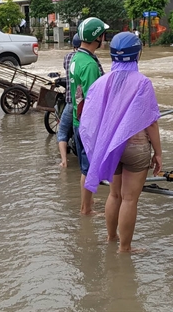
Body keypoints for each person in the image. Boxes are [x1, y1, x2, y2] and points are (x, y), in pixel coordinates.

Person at [80, 32, 162, 252]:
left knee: (114, 194)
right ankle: (125, 248)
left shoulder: (100, 83)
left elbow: (90, 119)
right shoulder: (143, 83)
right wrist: (159, 153)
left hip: (110, 147)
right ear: (137, 54)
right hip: (136, 147)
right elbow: (151, 123)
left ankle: (111, 238)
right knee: (129, 200)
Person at [70, 17, 108, 215]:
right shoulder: (90, 65)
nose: (105, 38)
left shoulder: (77, 58)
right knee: (88, 169)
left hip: (79, 120)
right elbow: (95, 98)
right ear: (97, 38)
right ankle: (86, 209)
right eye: (103, 35)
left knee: (85, 167)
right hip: (89, 124)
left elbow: (79, 94)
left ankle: (88, 203)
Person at [57, 34, 81, 167]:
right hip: (84, 103)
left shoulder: (67, 57)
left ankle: (64, 161)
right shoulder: (91, 59)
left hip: (71, 101)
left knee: (62, 131)